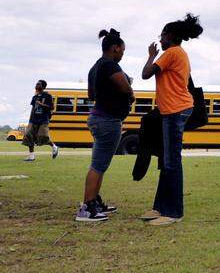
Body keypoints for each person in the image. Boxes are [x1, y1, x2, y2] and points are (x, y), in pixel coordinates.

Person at [140, 13, 203, 225]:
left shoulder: (171, 53)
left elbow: (146, 74)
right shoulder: (180, 53)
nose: (160, 39)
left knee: (171, 162)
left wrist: (151, 55)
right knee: (167, 160)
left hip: (176, 111)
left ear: (170, 35)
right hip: (175, 110)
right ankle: (160, 207)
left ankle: (174, 212)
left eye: (162, 35)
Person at [76, 28, 135, 222]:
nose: (123, 54)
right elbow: (126, 87)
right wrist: (129, 88)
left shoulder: (96, 67)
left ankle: (94, 202)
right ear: (115, 48)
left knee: (100, 164)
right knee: (98, 165)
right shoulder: (110, 66)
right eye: (122, 50)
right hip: (107, 120)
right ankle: (87, 207)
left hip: (100, 118)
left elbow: (91, 95)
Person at [22, 80, 58, 161]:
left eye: (38, 84)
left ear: (43, 87)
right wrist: (30, 120)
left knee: (42, 137)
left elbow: (52, 107)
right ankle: (31, 156)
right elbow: (33, 108)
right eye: (36, 84)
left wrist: (41, 104)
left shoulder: (47, 96)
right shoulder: (35, 97)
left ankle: (54, 147)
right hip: (33, 120)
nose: (36, 85)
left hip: (43, 120)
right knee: (28, 136)